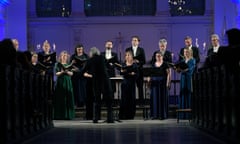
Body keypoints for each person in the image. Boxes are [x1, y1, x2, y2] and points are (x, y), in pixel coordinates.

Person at [83, 47, 113, 123]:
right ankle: (110, 118)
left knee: (97, 101)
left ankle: (96, 118)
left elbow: (84, 69)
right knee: (108, 101)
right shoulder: (102, 57)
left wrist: (77, 73)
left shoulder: (90, 60)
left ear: (91, 53)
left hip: (97, 81)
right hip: (105, 81)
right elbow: (109, 66)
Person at [148, 52, 171, 120]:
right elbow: (150, 73)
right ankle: (155, 115)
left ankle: (162, 115)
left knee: (162, 99)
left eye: (159, 56)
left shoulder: (165, 64)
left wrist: (167, 83)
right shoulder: (153, 64)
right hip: (154, 83)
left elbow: (168, 74)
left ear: (162, 56)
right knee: (155, 99)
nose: (158, 57)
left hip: (162, 83)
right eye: (157, 56)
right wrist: (149, 80)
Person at [53, 50, 75, 120]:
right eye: (63, 56)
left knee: (68, 97)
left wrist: (67, 71)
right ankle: (59, 115)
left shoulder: (69, 64)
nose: (64, 57)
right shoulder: (57, 64)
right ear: (60, 57)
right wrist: (62, 72)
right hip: (60, 82)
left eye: (65, 56)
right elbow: (56, 73)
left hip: (67, 81)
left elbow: (72, 74)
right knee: (60, 98)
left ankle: (68, 115)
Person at [125, 35, 146, 106]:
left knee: (140, 87)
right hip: (130, 71)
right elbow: (125, 60)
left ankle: (141, 103)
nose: (134, 41)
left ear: (138, 42)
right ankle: (131, 103)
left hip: (139, 71)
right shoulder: (128, 49)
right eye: (133, 40)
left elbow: (144, 61)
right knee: (130, 87)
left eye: (135, 40)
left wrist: (137, 61)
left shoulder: (141, 50)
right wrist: (130, 61)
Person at [118, 50, 139, 120]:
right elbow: (121, 73)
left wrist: (128, 73)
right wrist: (129, 73)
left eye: (128, 55)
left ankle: (130, 115)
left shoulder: (135, 64)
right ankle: (123, 115)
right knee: (124, 99)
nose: (127, 57)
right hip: (125, 83)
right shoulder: (123, 64)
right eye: (126, 55)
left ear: (131, 57)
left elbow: (137, 74)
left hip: (131, 83)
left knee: (131, 99)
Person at [177, 48, 196, 119]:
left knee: (189, 93)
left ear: (190, 52)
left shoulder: (192, 60)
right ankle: (183, 115)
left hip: (189, 78)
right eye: (184, 52)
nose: (185, 53)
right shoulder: (182, 60)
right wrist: (177, 69)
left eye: (187, 52)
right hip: (183, 78)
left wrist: (183, 70)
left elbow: (191, 69)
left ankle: (189, 115)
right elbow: (180, 70)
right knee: (183, 93)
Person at [101, 40, 119, 105]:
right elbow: (100, 63)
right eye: (108, 44)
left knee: (112, 87)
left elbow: (117, 63)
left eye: (110, 44)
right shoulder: (101, 54)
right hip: (104, 72)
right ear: (105, 45)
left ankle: (112, 102)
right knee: (104, 87)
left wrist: (113, 65)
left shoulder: (115, 54)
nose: (109, 45)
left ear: (112, 46)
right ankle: (104, 103)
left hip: (111, 72)